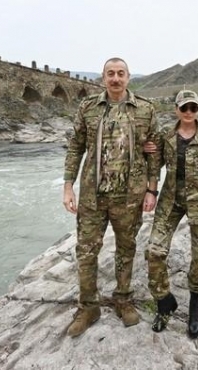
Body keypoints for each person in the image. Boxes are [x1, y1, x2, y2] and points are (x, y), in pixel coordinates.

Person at [62, 57, 160, 337]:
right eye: (110, 74)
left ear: (128, 77)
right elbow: (75, 148)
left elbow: (155, 153)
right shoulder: (88, 107)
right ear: (103, 78)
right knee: (86, 250)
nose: (115, 78)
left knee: (126, 249)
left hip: (130, 196)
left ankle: (123, 299)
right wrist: (68, 186)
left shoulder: (145, 109)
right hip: (93, 196)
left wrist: (152, 189)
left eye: (120, 73)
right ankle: (88, 307)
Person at [145, 90, 198, 339]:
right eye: (184, 108)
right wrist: (145, 149)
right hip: (170, 201)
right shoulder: (166, 136)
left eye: (193, 108)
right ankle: (164, 302)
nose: (189, 112)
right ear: (176, 110)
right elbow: (152, 165)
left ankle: (194, 307)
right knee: (154, 251)